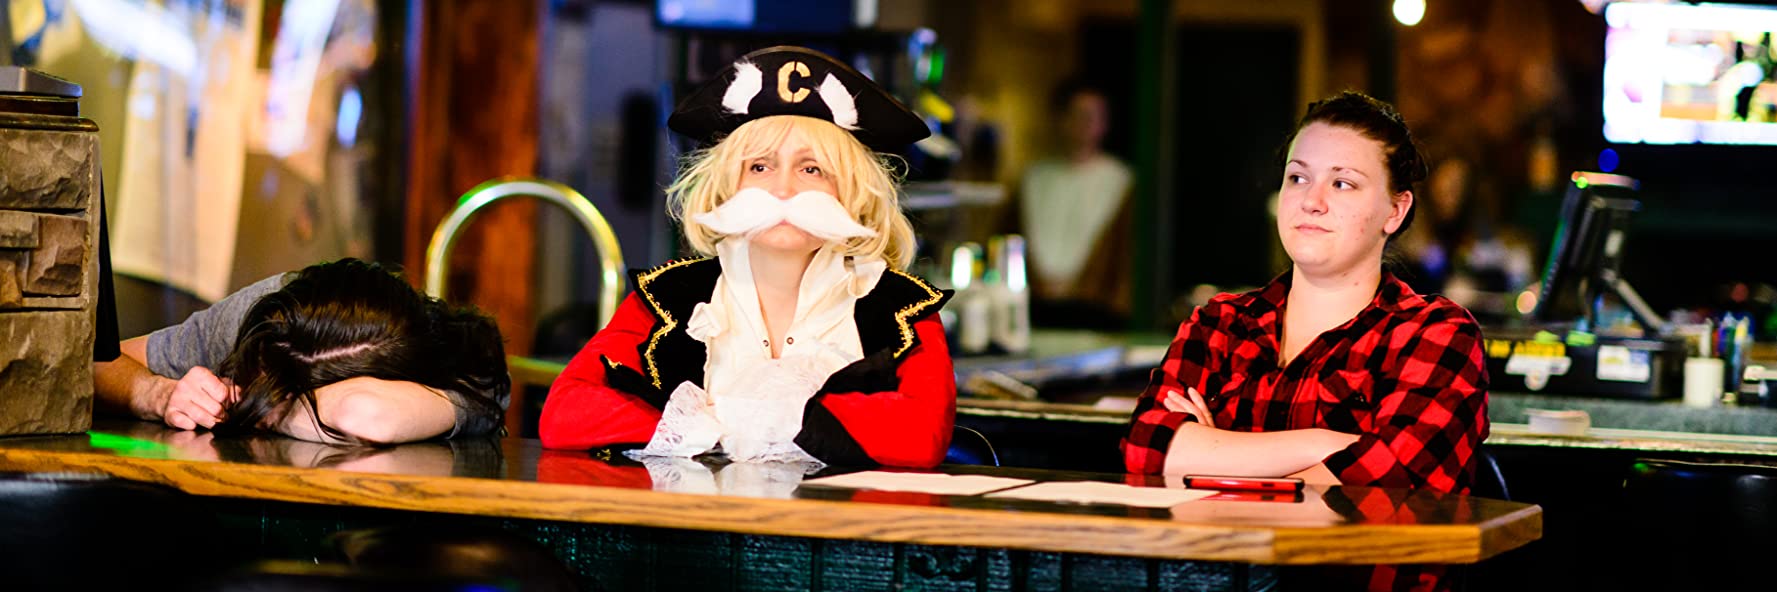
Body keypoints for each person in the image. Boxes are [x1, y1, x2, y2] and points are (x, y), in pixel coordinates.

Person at [1122, 92, 1488, 591]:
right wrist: (1328, 444)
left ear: (1395, 211)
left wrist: (1212, 458)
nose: (1311, 200)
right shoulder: (1220, 324)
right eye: (1298, 178)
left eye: (1342, 183)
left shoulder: (1435, 333)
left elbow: (1392, 478)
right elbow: (1147, 449)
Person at [540, 46, 956, 469]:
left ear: (852, 192)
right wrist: (710, 424)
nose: (783, 190)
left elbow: (923, 435)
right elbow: (564, 414)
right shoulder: (668, 297)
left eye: (811, 169)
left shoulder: (902, 307)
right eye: (760, 167)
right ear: (728, 186)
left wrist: (784, 417)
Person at [93, 259, 510, 444]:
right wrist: (156, 393)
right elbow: (91, 360)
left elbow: (361, 414)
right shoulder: (265, 317)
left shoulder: (462, 372)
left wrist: (268, 407)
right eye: (250, 373)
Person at [1010, 80, 1134, 327]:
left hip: (1095, 310)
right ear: (1061, 119)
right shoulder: (1035, 177)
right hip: (1038, 305)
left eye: (1092, 117)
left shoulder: (1120, 180)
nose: (1084, 124)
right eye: (1077, 115)